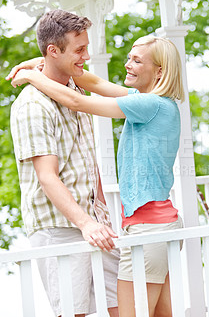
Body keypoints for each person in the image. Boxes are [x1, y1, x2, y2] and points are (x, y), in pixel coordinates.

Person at [9, 34, 185, 317]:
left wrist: (33, 77)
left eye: (137, 60)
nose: (127, 64)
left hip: (149, 229)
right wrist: (44, 63)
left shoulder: (150, 105)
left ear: (160, 71)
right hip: (156, 225)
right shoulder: (151, 101)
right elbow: (95, 84)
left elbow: (76, 102)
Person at [7, 9, 119, 317]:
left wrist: (101, 213)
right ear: (53, 51)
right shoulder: (31, 105)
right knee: (73, 313)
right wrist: (85, 224)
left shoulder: (75, 89)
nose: (86, 55)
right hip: (59, 225)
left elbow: (87, 156)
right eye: (79, 49)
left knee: (125, 303)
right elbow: (47, 176)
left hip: (95, 220)